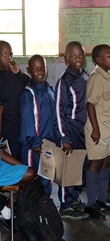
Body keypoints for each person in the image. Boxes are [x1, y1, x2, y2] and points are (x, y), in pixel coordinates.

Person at [54, 41, 89, 220]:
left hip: (83, 131)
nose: (78, 59)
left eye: (81, 55)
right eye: (73, 56)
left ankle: (74, 198)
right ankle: (65, 205)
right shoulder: (64, 80)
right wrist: (64, 137)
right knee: (69, 169)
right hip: (70, 130)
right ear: (66, 58)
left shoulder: (85, 76)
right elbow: (59, 111)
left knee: (79, 166)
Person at [84, 44, 110, 219]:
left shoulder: (109, 76)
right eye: (109, 56)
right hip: (97, 128)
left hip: (109, 127)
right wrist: (96, 130)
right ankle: (91, 204)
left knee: (106, 162)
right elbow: (90, 103)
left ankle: (102, 199)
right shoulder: (96, 77)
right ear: (98, 60)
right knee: (95, 164)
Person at [20, 54, 56, 195]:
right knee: (33, 180)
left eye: (42, 68)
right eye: (35, 69)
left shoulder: (49, 90)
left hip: (48, 145)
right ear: (29, 71)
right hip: (34, 147)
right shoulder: (28, 93)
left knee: (47, 179)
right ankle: (31, 213)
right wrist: (35, 145)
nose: (40, 72)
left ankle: (44, 211)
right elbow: (27, 122)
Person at [0, 40, 30, 161]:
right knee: (11, 155)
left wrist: (18, 74)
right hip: (7, 123)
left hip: (22, 120)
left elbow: (29, 84)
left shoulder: (15, 72)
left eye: (10, 54)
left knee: (21, 153)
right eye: (4, 55)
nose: (9, 58)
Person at [0, 146, 37, 231]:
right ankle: (7, 211)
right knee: (30, 174)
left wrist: (23, 167)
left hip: (2, 167)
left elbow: (1, 153)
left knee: (31, 173)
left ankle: (7, 210)